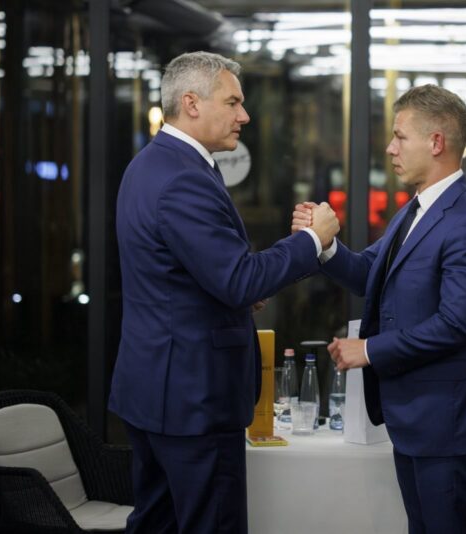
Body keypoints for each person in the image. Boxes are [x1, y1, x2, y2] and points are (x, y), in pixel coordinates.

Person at [109, 51, 339, 534]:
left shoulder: (151, 165)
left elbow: (186, 275)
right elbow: (238, 279)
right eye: (233, 102)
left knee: (157, 523)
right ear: (191, 103)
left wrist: (235, 288)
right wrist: (311, 240)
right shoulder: (182, 179)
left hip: (159, 390)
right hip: (194, 398)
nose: (245, 115)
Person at [294, 85, 466, 534]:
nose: (390, 148)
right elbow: (369, 270)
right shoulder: (414, 211)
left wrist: (368, 350)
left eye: (399, 137)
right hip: (416, 420)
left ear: (436, 143)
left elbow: (455, 325)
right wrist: (325, 244)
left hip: (447, 424)